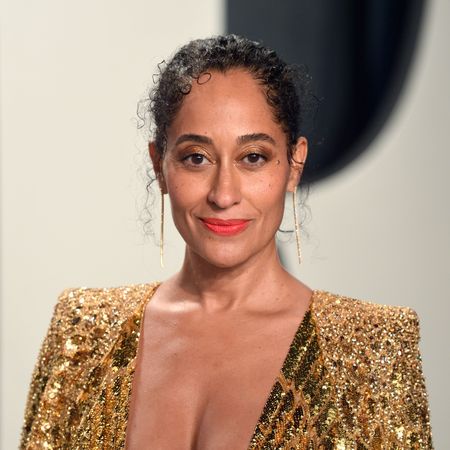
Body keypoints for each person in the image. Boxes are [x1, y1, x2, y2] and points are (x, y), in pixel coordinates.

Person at [20, 35, 432, 449]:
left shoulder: (369, 349)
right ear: (159, 165)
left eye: (253, 157)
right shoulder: (83, 334)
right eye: (196, 157)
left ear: (294, 165)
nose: (223, 194)